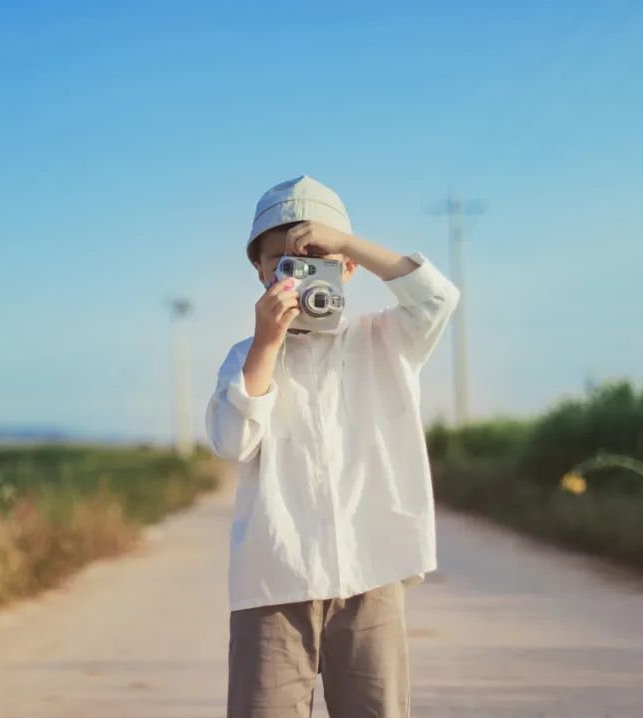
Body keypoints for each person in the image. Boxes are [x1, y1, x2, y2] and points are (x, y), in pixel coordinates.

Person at [206, 174, 460, 717]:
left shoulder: (384, 339)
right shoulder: (245, 356)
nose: (295, 273)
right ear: (258, 269)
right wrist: (266, 344)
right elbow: (232, 441)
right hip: (273, 583)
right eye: (280, 261)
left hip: (371, 573)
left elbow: (438, 297)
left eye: (315, 257)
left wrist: (345, 240)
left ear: (347, 268)